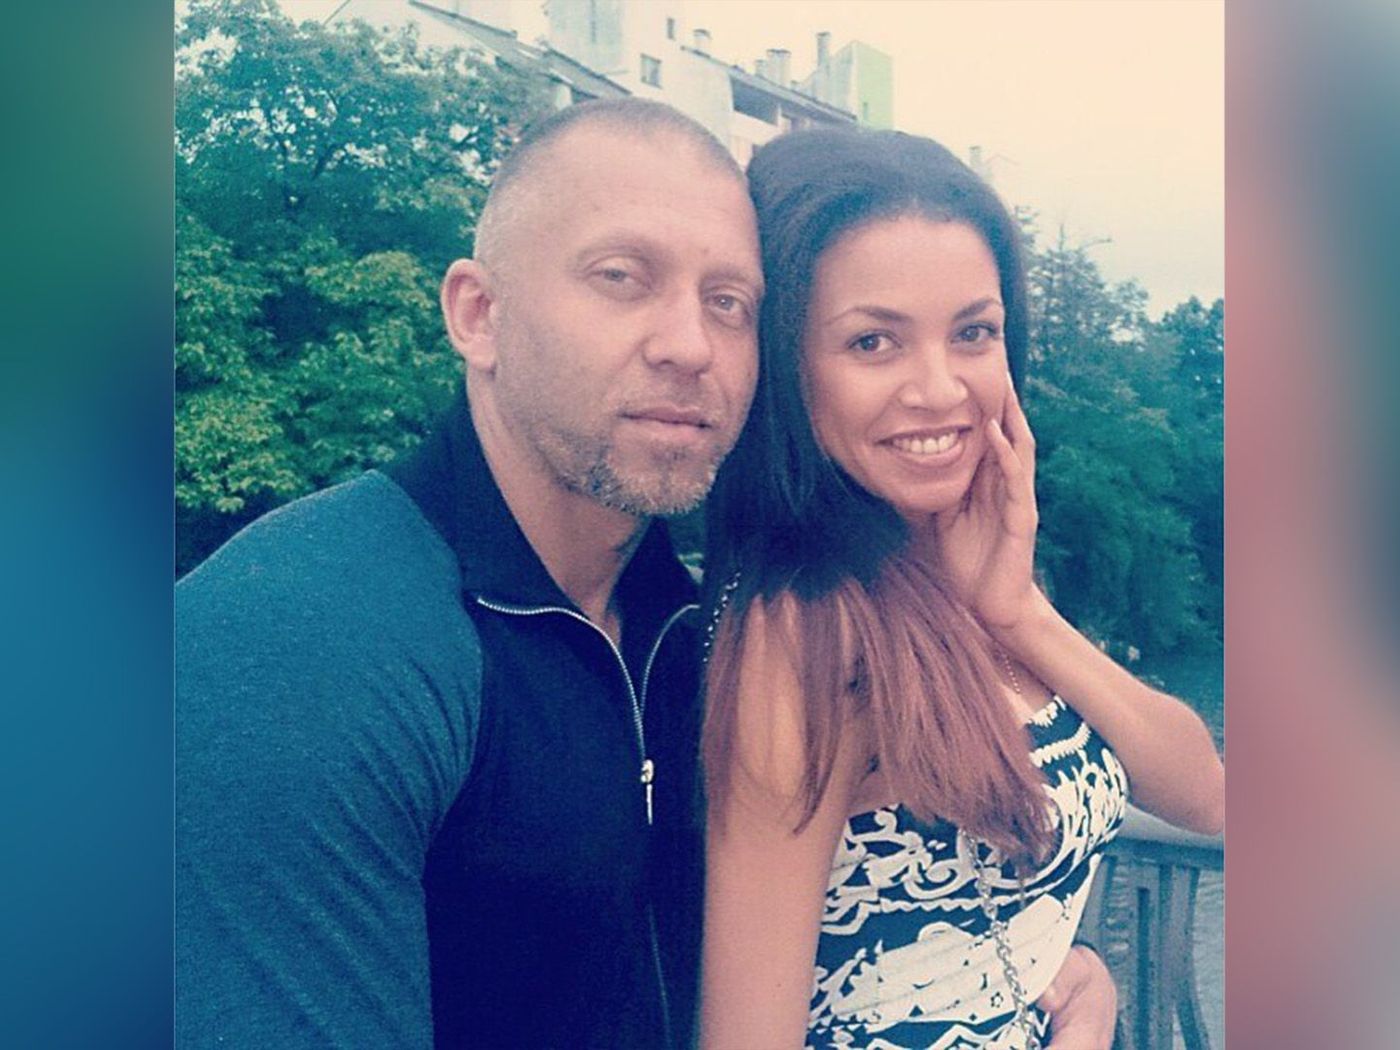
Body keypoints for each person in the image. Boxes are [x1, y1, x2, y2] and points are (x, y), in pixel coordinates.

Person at [176, 99, 1120, 1049]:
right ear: (479, 314)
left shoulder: (691, 625)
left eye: (729, 303)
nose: (688, 345)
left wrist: (1030, 962)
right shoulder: (300, 650)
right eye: (621, 278)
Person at [698, 126, 1226, 1050]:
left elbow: (1207, 796)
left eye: (973, 333)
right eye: (874, 341)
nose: (940, 389)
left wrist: (1018, 612)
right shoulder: (802, 637)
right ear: (786, 366)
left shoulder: (963, 580)